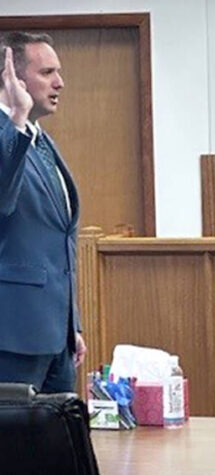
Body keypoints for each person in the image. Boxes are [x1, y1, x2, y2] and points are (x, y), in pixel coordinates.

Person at [0, 31, 85, 392]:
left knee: (58, 445)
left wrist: (72, 325)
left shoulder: (41, 139)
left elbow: (61, 240)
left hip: (57, 339)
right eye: (47, 72)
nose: (59, 83)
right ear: (13, 79)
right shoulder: (13, 135)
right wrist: (16, 117)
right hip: (13, 335)